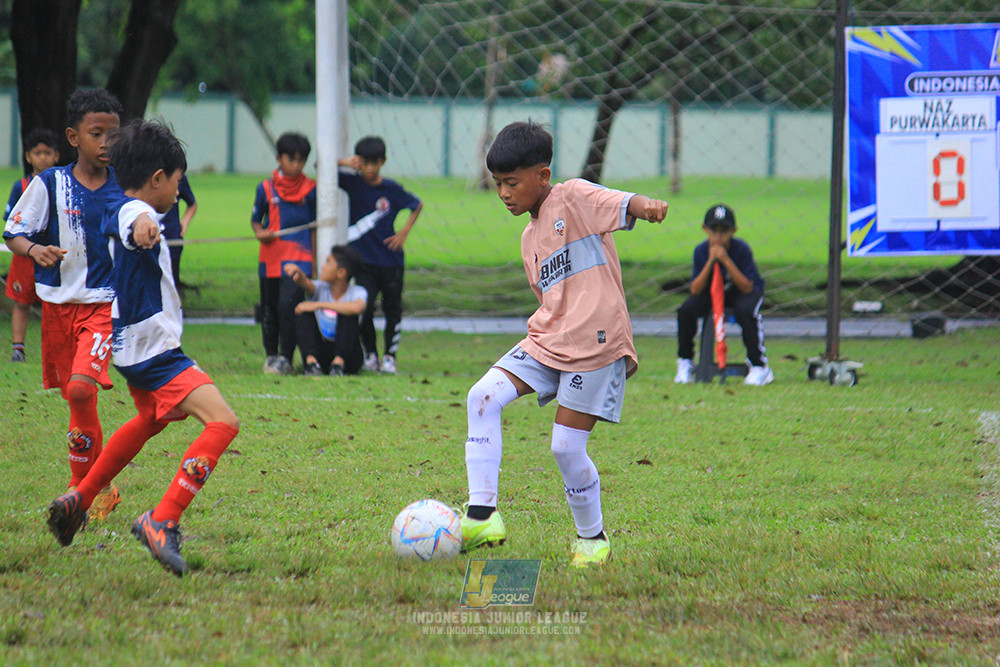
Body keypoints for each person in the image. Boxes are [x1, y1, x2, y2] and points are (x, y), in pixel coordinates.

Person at [459, 120, 668, 567]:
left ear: (543, 175)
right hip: (549, 339)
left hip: (596, 344)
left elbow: (617, 201)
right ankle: (482, 515)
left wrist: (645, 206)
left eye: (512, 182)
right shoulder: (528, 239)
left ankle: (592, 540)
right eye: (498, 184)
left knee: (566, 447)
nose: (504, 193)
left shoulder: (572, 197)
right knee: (482, 397)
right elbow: (549, 299)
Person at [46, 119, 240, 578]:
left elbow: (128, 215)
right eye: (176, 181)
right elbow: (135, 222)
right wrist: (145, 227)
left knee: (150, 420)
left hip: (131, 347)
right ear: (157, 179)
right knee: (223, 423)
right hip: (154, 351)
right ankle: (163, 518)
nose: (178, 190)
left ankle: (80, 497)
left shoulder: (116, 200)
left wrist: (144, 223)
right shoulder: (134, 213)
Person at [3, 90, 124, 520]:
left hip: (104, 306)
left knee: (80, 387)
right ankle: (101, 487)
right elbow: (13, 231)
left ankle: (77, 489)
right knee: (77, 401)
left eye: (114, 133)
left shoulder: (126, 186)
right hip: (57, 308)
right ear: (74, 137)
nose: (107, 142)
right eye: (97, 134)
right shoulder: (49, 182)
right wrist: (33, 251)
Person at [337, 136, 422, 375]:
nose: (370, 168)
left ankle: (389, 358)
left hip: (391, 261)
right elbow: (320, 168)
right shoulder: (352, 183)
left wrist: (403, 232)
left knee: (392, 309)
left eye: (375, 163)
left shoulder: (391, 190)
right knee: (364, 307)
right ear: (358, 162)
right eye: (365, 162)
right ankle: (370, 355)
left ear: (383, 162)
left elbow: (417, 204)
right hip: (363, 262)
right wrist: (343, 161)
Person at [674, 204, 772, 386]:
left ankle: (759, 365)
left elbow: (747, 287)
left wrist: (726, 260)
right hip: (710, 292)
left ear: (733, 231)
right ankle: (685, 361)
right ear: (705, 229)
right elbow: (695, 289)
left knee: (746, 312)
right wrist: (711, 261)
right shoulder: (701, 251)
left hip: (740, 292)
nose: (718, 236)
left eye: (724, 230)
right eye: (714, 230)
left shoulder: (741, 249)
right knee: (686, 310)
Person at [252, 132, 316, 376]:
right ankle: (271, 354)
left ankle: (286, 357)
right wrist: (261, 232)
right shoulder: (265, 188)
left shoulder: (311, 190)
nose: (296, 165)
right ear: (279, 158)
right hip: (270, 258)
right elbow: (256, 221)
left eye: (301, 160)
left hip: (299, 259)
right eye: (292, 159)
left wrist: (315, 262)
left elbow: (314, 229)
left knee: (287, 307)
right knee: (269, 308)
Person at [4, 128, 59, 362]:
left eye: (48, 153)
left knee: (54, 305)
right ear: (28, 156)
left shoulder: (61, 184)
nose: (43, 158)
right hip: (26, 255)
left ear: (57, 155)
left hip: (53, 255)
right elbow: (11, 221)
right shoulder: (21, 186)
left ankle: (56, 350)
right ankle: (18, 348)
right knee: (21, 301)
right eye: (38, 153)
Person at [284, 244, 368, 376]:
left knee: (348, 314)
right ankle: (312, 364)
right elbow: (307, 284)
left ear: (341, 272)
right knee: (303, 311)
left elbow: (357, 307)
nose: (323, 266)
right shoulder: (321, 288)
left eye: (328, 263)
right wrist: (299, 274)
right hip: (323, 352)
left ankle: (338, 365)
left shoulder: (357, 292)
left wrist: (319, 305)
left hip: (349, 357)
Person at [160, 172, 197, 292]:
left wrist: (184, 223)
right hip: (149, 241)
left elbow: (192, 204)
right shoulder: (143, 174)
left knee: (172, 285)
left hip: (173, 239)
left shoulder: (178, 175)